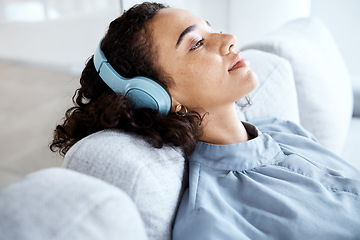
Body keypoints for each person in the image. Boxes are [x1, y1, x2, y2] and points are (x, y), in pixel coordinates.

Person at [51, 2, 360, 239]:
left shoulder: (283, 129)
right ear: (156, 95)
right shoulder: (213, 218)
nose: (229, 39)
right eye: (196, 43)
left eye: (210, 28)